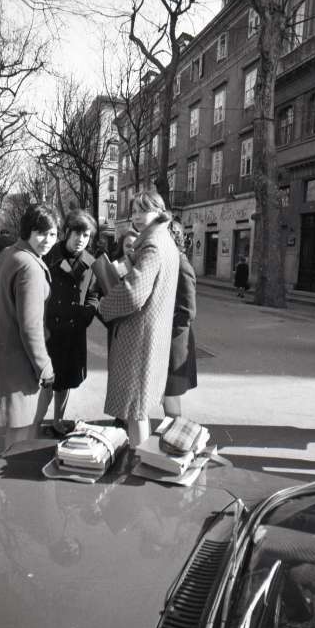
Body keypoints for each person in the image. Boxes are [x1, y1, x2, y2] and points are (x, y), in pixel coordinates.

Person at [0, 203, 58, 454]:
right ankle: (13, 473)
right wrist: (45, 368)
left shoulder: (10, 253)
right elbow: (30, 328)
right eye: (41, 233)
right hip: (22, 360)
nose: (47, 240)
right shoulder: (30, 266)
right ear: (28, 230)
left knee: (17, 429)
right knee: (21, 432)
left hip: (5, 351)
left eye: (52, 233)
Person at [99, 191, 179, 448]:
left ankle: (138, 457)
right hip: (152, 336)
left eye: (144, 210)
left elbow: (134, 294)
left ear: (159, 211)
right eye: (134, 211)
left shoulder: (152, 245)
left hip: (139, 338)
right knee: (140, 408)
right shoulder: (164, 241)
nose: (136, 216)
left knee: (136, 409)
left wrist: (104, 306)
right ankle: (140, 455)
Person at [44, 209, 99, 435]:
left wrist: (88, 313)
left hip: (74, 331)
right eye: (77, 233)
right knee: (45, 380)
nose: (81, 240)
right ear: (67, 232)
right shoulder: (48, 256)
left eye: (86, 235)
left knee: (65, 380)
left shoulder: (91, 263)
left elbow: (94, 294)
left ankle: (58, 421)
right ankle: (32, 422)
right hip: (49, 330)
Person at [163, 220, 197, 418]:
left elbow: (188, 311)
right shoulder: (171, 261)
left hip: (175, 342)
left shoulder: (181, 265)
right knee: (167, 392)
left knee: (171, 393)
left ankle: (175, 432)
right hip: (169, 340)